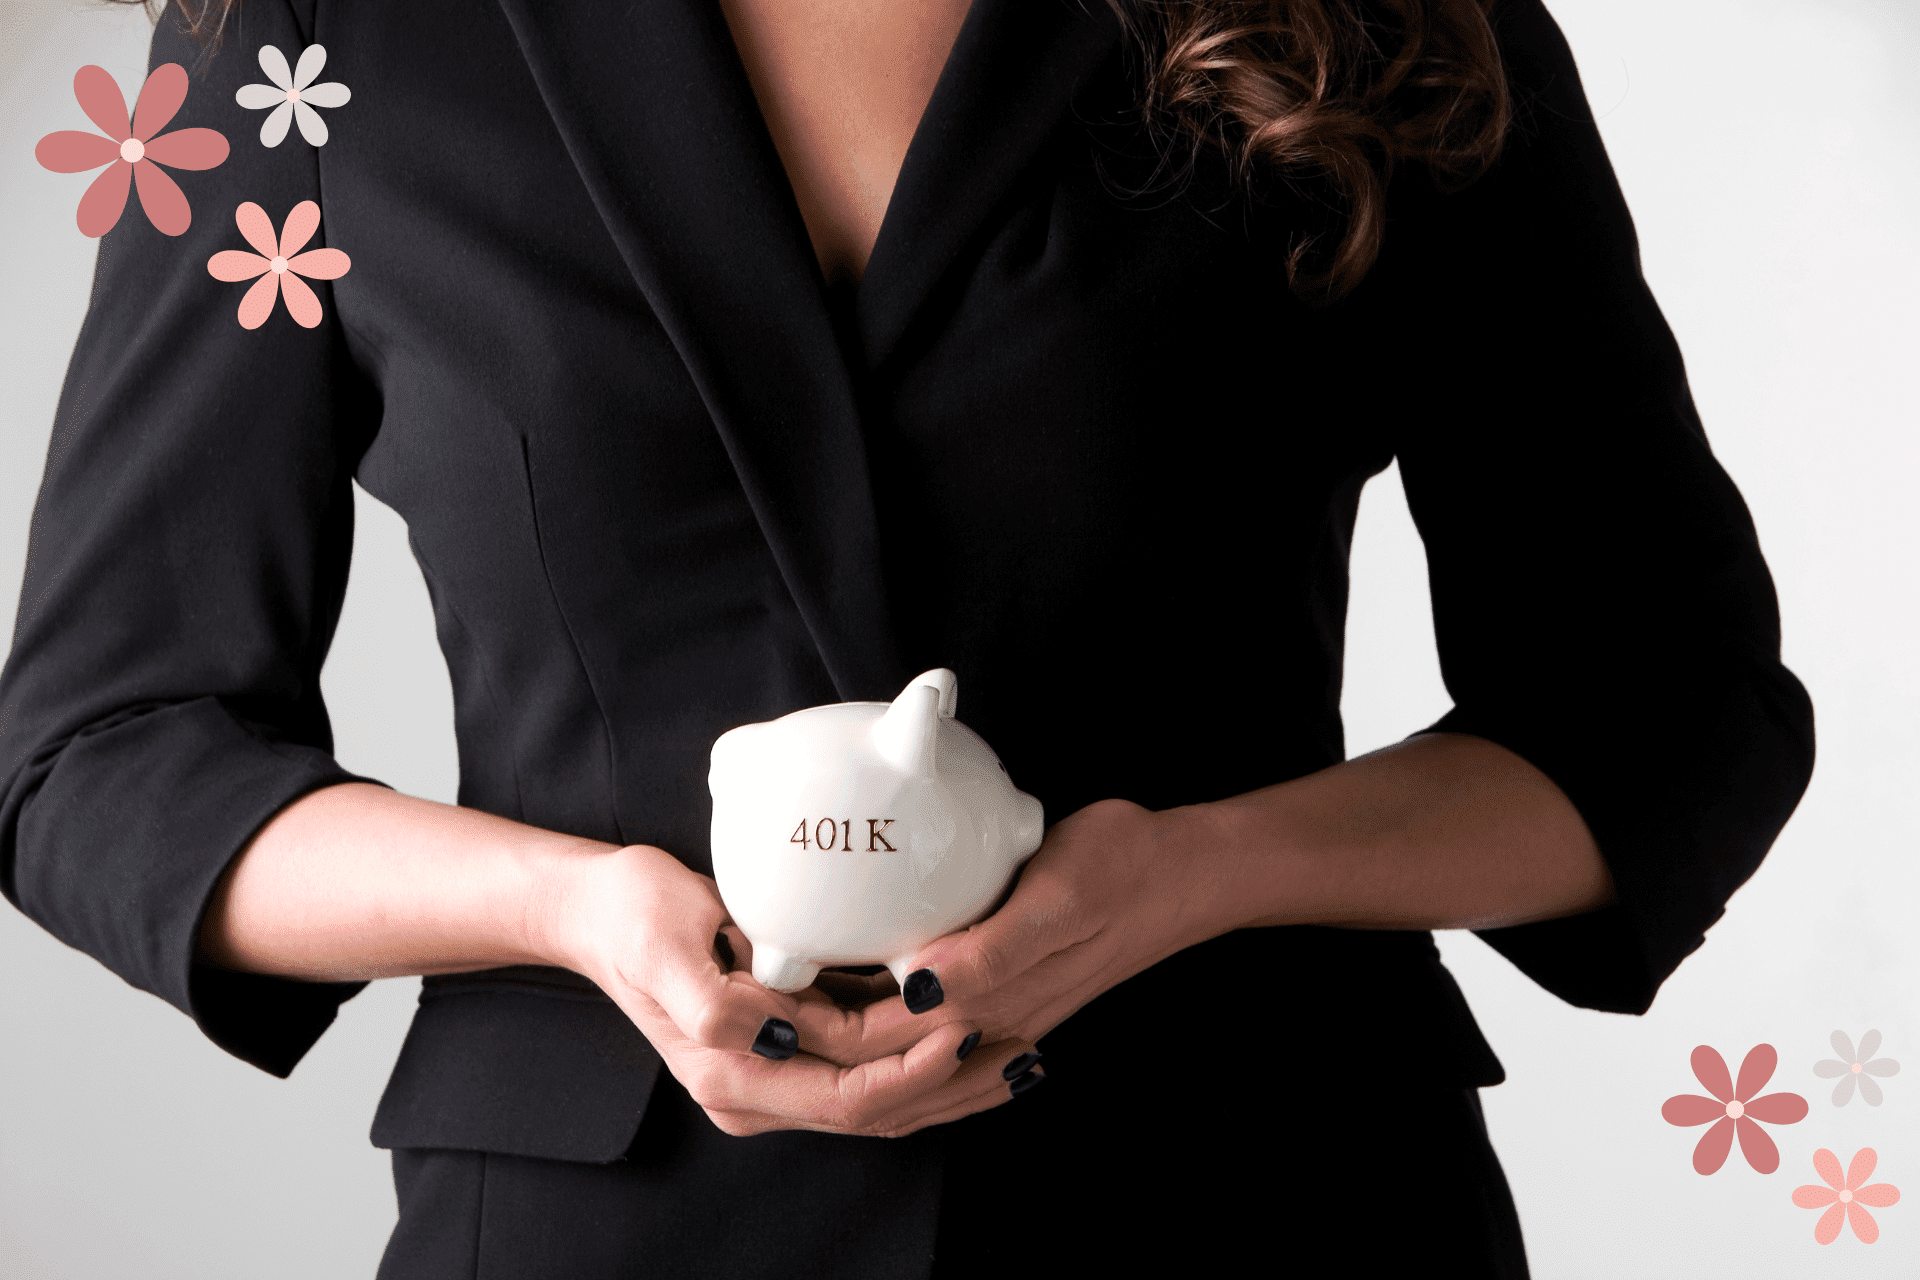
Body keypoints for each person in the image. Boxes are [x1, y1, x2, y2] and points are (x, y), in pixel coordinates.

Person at [1, 0, 1813, 1274]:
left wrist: (1195, 873)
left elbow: (1667, 707)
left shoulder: (1378, 7)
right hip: (598, 1235)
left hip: (1269, 1188)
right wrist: (569, 909)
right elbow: (103, 750)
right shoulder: (301, 51)